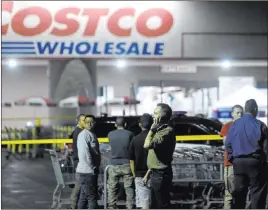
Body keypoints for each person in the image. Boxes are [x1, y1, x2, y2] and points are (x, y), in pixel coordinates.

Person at [225, 99, 268, 209]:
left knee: (239, 193)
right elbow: (266, 148)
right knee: (257, 193)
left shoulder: (234, 125)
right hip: (255, 162)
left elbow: (228, 144)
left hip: (238, 162)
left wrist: (233, 159)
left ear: (244, 110)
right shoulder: (261, 125)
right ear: (255, 110)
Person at [143, 103, 176, 209]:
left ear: (162, 115)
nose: (153, 116)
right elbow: (156, 155)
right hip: (155, 172)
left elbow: (147, 145)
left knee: (161, 204)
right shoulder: (160, 130)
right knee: (154, 204)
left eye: (155, 113)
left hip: (161, 174)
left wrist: (152, 129)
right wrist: (149, 172)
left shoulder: (166, 132)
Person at [107, 117, 135, 209]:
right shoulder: (130, 134)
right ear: (125, 124)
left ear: (115, 125)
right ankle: (130, 206)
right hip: (127, 164)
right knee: (129, 188)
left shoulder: (110, 134)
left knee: (112, 188)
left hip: (113, 164)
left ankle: (111, 206)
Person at [220, 105, 243, 209]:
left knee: (241, 191)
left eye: (241, 113)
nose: (239, 115)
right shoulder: (227, 126)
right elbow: (226, 142)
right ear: (232, 114)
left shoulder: (245, 126)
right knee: (229, 192)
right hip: (230, 163)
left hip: (242, 163)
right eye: (237, 112)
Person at [76, 115, 101, 209]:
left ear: (94, 123)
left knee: (83, 197)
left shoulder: (92, 134)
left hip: (88, 171)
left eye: (91, 122)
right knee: (92, 198)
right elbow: (85, 154)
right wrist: (92, 167)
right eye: (87, 122)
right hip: (87, 172)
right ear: (84, 123)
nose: (89, 124)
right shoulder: (84, 135)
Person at [129, 114, 153, 209]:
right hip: (155, 174)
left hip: (140, 175)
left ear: (140, 124)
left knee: (144, 204)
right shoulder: (155, 139)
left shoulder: (135, 140)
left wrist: (134, 174)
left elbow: (131, 160)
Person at [70, 114, 86, 209]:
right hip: (79, 161)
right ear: (78, 121)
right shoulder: (79, 132)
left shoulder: (78, 131)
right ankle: (73, 204)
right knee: (79, 184)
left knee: (80, 184)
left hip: (79, 160)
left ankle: (76, 204)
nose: (85, 122)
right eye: (83, 120)